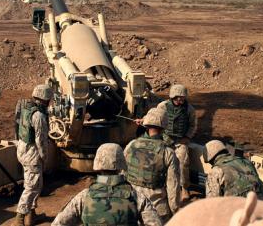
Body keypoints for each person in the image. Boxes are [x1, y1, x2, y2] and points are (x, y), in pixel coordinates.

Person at [52, 143, 162, 226]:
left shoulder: (83, 197)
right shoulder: (137, 197)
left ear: (97, 164)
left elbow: (58, 223)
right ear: (121, 164)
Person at [124, 108, 180, 222]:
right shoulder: (168, 152)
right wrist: (175, 212)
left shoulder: (131, 145)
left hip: (132, 207)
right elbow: (172, 187)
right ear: (164, 125)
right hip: (157, 210)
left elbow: (122, 175)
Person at [14, 85, 52, 226]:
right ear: (46, 99)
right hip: (32, 154)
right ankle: (19, 218)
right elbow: (41, 140)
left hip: (23, 150)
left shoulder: (27, 109)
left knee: (32, 183)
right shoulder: (39, 116)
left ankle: (30, 216)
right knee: (32, 187)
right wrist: (44, 157)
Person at [157, 84, 198, 201]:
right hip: (165, 139)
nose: (180, 99)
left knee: (183, 162)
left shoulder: (189, 109)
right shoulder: (163, 106)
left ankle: (184, 188)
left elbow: (193, 125)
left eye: (182, 97)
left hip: (180, 141)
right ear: (172, 96)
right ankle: (162, 186)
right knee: (160, 162)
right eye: (178, 97)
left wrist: (188, 137)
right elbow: (157, 120)